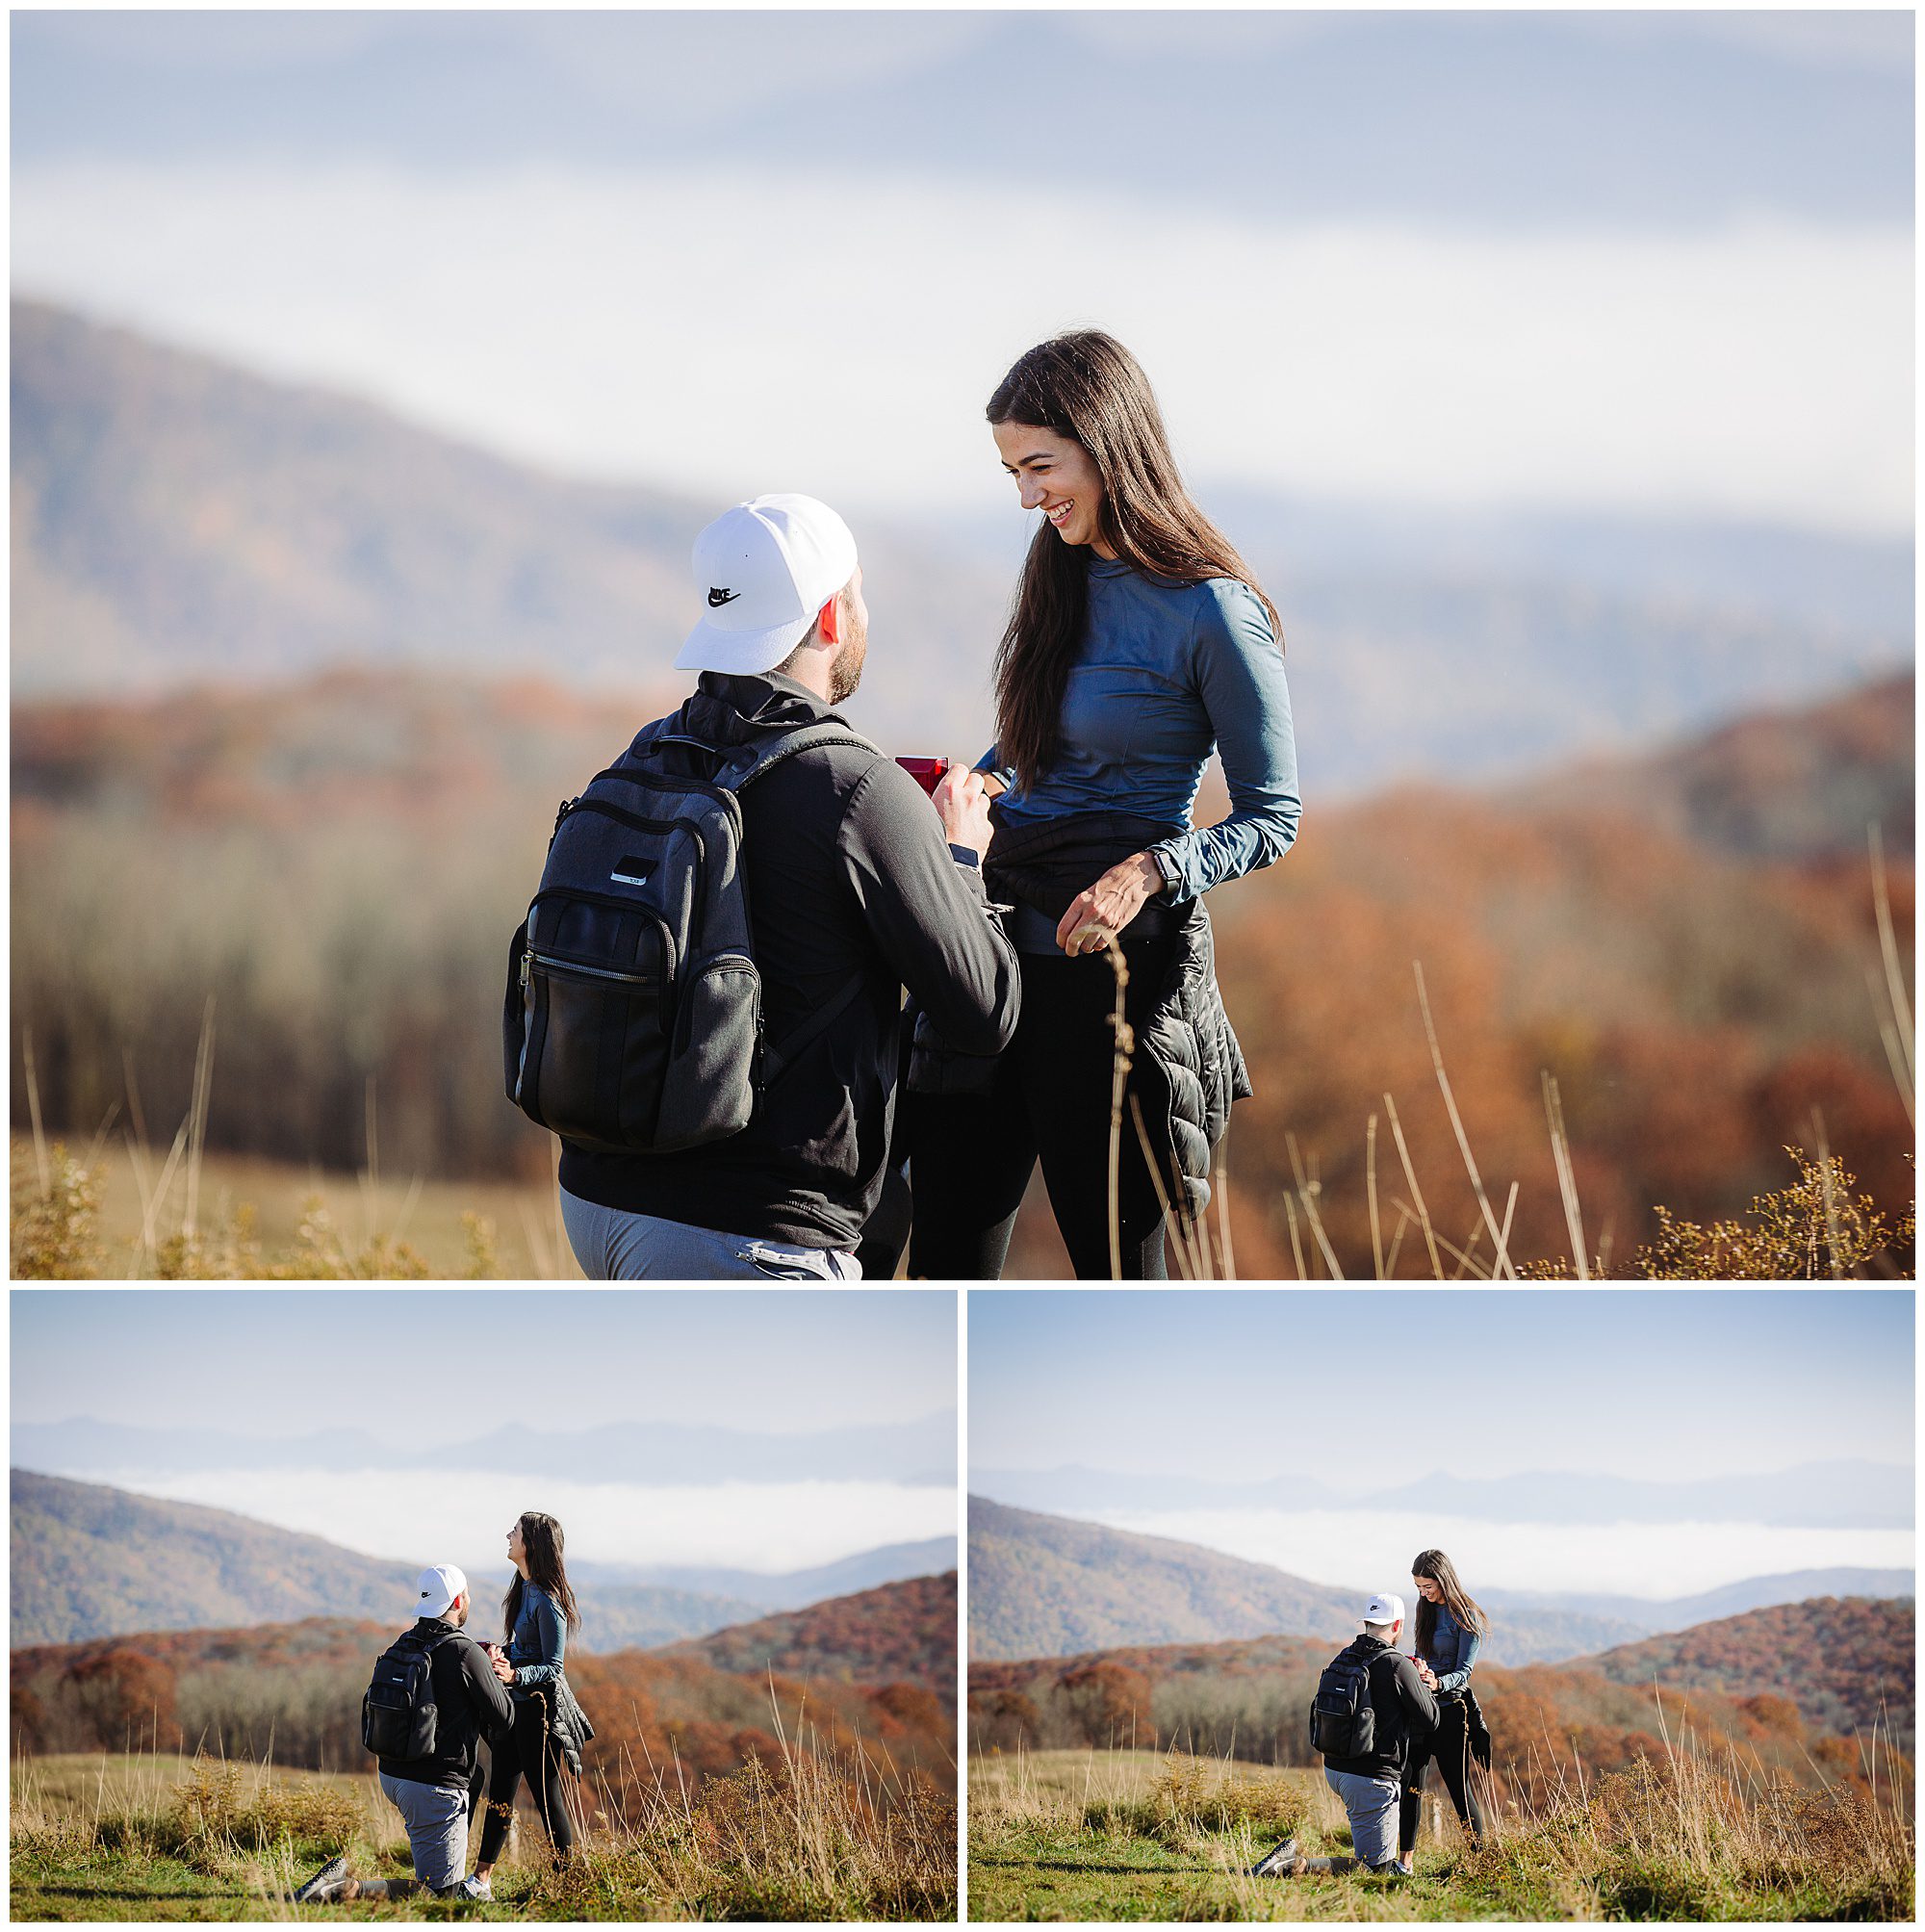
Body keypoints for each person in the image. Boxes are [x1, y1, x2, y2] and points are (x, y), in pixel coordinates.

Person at [905, 329, 1298, 1279]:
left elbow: (1269, 818)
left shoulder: (1213, 611)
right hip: (992, 961)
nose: (1028, 497)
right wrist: (979, 784)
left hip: (1110, 978)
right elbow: (1035, 745)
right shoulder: (1059, 575)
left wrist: (1151, 870)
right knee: (948, 1258)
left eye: (1040, 465)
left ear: (1106, 441)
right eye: (1012, 474)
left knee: (1118, 1274)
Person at [555, 492, 1020, 1279]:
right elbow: (984, 1012)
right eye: (860, 592)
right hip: (749, 1236)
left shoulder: (646, 754)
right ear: (833, 616)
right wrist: (961, 861)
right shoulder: (859, 790)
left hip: (595, 1201)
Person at [293, 1564, 513, 1903]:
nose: (468, 1599)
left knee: (476, 1777)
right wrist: (494, 1672)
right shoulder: (466, 1652)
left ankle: (445, 1853)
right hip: (433, 1787)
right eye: (466, 1595)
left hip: (393, 1775)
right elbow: (504, 1718)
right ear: (458, 1601)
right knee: (441, 1895)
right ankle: (343, 1890)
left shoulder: (405, 1641)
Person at [1253, 1592, 1436, 1879]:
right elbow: (1431, 1718)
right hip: (1370, 1779)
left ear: (1366, 1623)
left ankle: (1293, 1862)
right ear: (1398, 1625)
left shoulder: (1346, 1655)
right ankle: (1288, 1866)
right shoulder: (1398, 1665)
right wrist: (1423, 1679)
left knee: (1371, 1854)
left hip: (1336, 1769)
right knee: (1375, 1870)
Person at [471, 1512, 593, 1893]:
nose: (508, 1535)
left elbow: (554, 1667)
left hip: (540, 1712)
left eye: (516, 1532)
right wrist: (499, 1652)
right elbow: (526, 1650)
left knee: (547, 1798)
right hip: (515, 1708)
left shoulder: (548, 1600)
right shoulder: (523, 1589)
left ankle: (567, 1884)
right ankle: (481, 1880)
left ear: (532, 1545)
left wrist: (515, 1675)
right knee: (500, 1793)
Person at [1399, 1548, 1492, 1869]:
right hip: (1421, 1707)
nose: (1423, 1593)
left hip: (1451, 1710)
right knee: (1410, 1784)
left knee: (1459, 1788)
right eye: (1418, 1588)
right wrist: (1418, 1668)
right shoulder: (1424, 1608)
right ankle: (1404, 1862)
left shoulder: (1465, 1615)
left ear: (1443, 1578)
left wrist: (1438, 1682)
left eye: (1428, 1586)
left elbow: (1465, 1672)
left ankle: (1481, 1861)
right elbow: (1421, 1650)